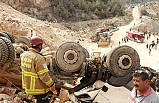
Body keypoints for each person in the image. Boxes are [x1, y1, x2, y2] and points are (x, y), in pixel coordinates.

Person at [20, 36, 56, 103]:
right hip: (38, 90)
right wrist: (52, 85)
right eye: (41, 45)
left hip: (28, 88)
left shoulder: (23, 55)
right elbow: (44, 75)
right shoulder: (39, 58)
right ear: (39, 46)